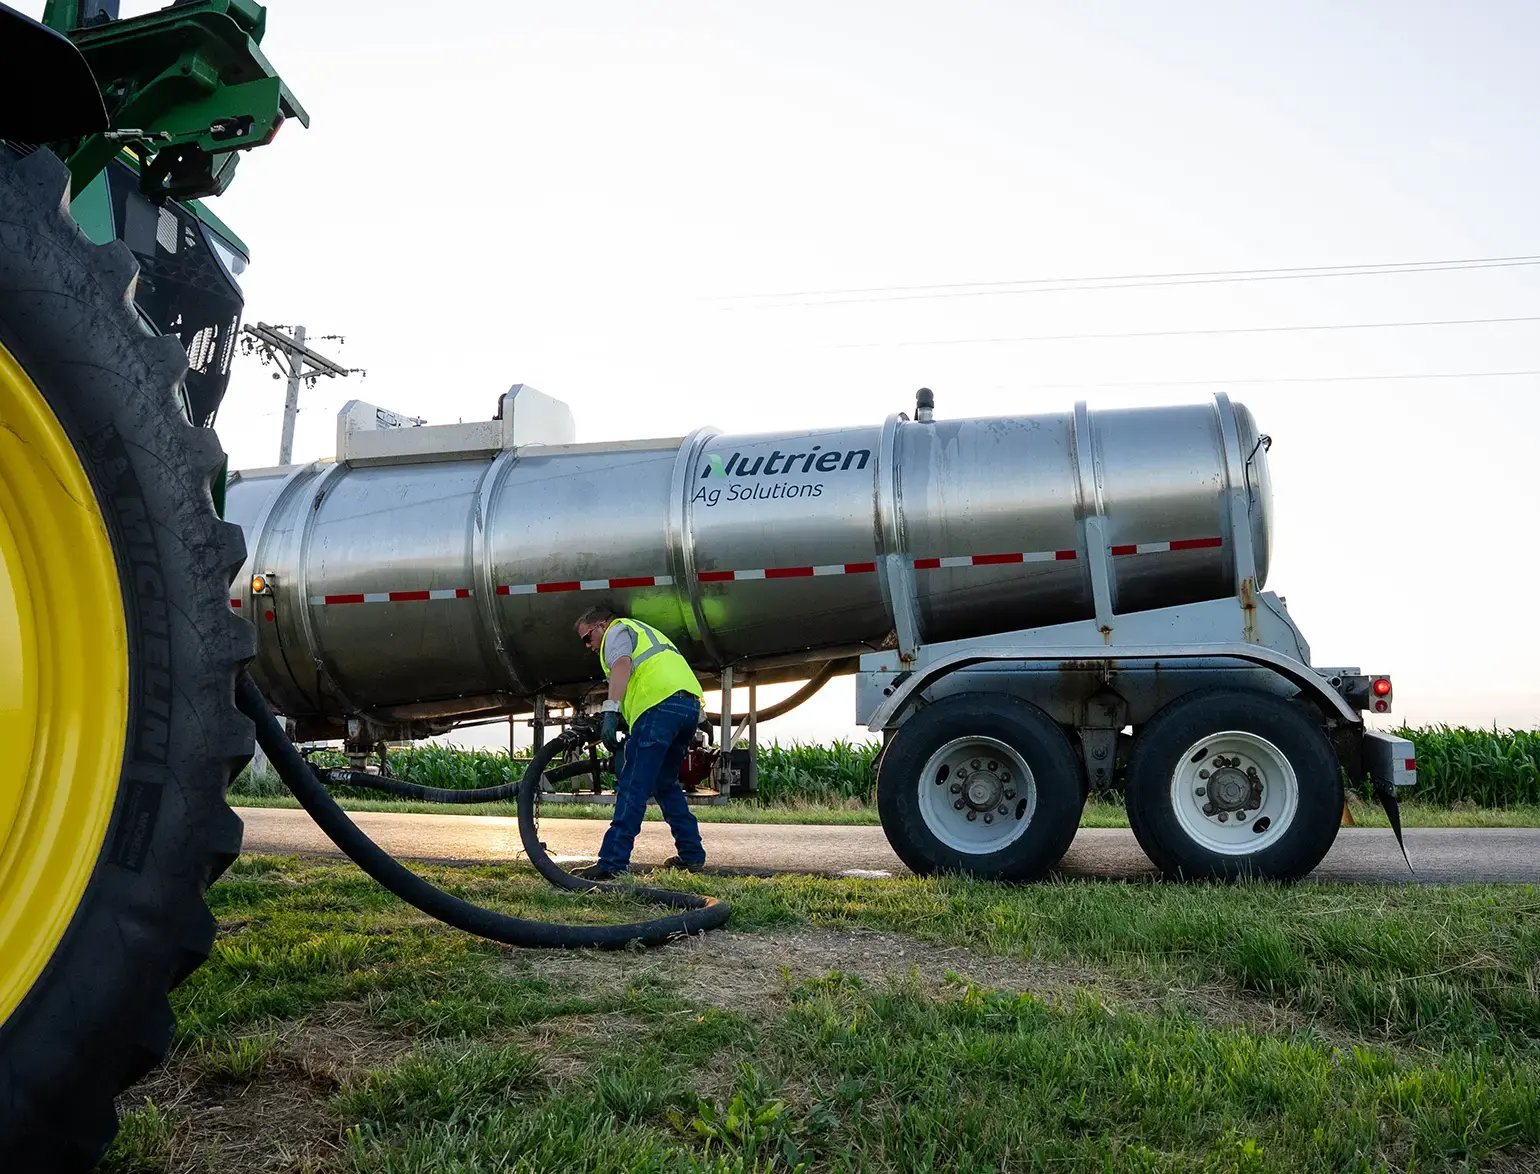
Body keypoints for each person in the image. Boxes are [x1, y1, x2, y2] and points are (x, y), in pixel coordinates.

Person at [571, 606, 707, 880]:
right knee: (665, 784)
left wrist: (611, 710)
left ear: (601, 624)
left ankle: (612, 863)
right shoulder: (648, 634)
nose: (588, 646)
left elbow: (622, 664)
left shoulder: (616, 630)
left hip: (658, 709)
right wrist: (624, 718)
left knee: (633, 784)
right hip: (687, 708)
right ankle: (692, 855)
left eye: (588, 638)